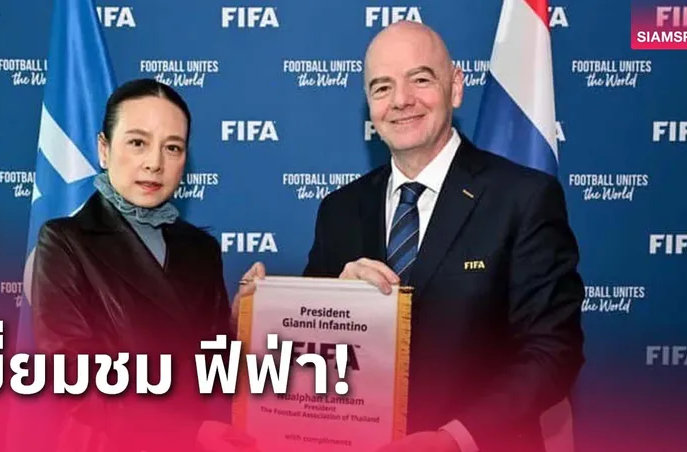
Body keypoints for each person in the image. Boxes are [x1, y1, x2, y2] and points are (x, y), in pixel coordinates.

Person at [235, 21, 585, 452]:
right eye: (382, 87)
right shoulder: (339, 210)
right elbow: (310, 362)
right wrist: (274, 316)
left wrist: (455, 439)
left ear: (456, 87)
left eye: (420, 79)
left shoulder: (523, 197)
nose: (401, 100)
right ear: (369, 104)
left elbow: (553, 351)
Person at [31, 78, 259, 452]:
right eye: (138, 143)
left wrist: (241, 321)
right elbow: (71, 378)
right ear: (104, 149)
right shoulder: (65, 242)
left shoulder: (201, 249)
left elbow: (214, 372)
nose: (155, 163)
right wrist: (188, 432)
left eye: (172, 147)